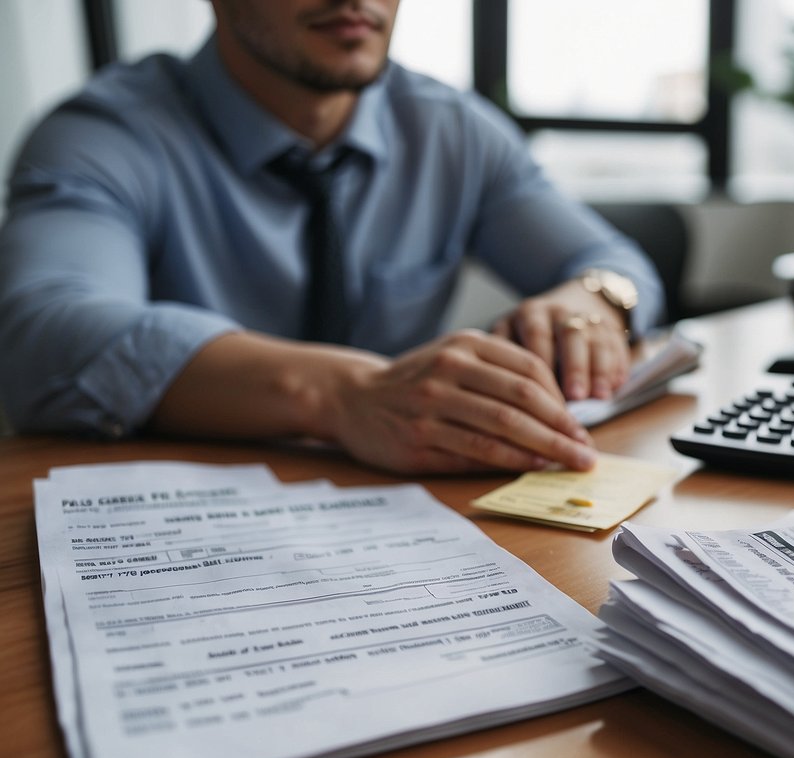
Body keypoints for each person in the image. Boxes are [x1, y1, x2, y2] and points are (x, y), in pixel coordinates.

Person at [0, 0, 664, 475]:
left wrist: (592, 301)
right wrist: (340, 396)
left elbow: (613, 264)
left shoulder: (452, 131)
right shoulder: (103, 134)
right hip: (172, 535)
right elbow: (45, 335)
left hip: (414, 521)